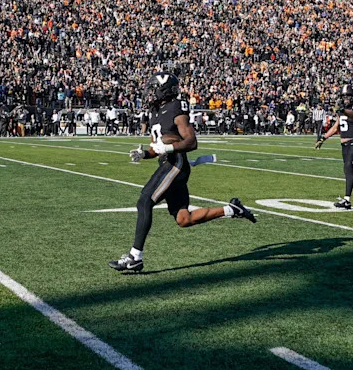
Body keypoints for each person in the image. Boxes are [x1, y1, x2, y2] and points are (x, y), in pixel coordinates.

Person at [109, 72, 255, 273]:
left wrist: (168, 149)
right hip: (168, 163)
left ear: (165, 89)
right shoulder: (156, 111)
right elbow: (158, 147)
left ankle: (134, 257)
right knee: (184, 219)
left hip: (175, 164)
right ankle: (231, 209)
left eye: (154, 89)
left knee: (144, 201)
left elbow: (190, 141)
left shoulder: (176, 108)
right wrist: (144, 154)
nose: (150, 94)